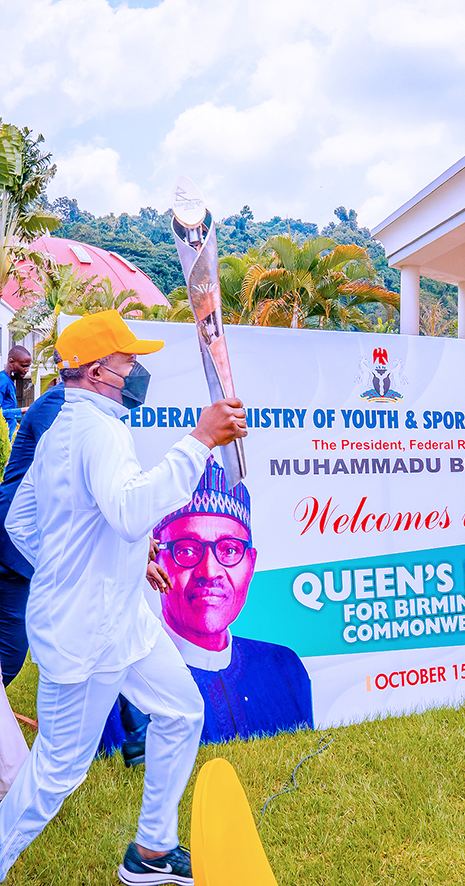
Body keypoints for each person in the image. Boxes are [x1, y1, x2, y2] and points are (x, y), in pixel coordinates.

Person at [0, 310, 247, 886]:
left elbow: (26, 523)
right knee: (56, 772)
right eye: (128, 361)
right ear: (94, 370)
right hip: (85, 633)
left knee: (182, 713)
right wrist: (201, 439)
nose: (137, 371)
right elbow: (132, 511)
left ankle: (152, 851)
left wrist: (113, 567)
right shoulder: (94, 428)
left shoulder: (75, 424)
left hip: (116, 619)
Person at [102, 457, 313, 751]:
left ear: (250, 566)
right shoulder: (124, 682)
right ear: (154, 557)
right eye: (187, 550)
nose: (210, 572)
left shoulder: (283, 668)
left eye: (229, 549)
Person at [0, 383, 65, 686]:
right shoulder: (59, 403)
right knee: (9, 653)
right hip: (16, 542)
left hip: (30, 540)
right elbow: (72, 473)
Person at [0, 346, 32, 438]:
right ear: (11, 362)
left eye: (28, 366)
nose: (27, 370)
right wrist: (23, 410)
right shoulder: (3, 381)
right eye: (23, 366)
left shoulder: (9, 381)